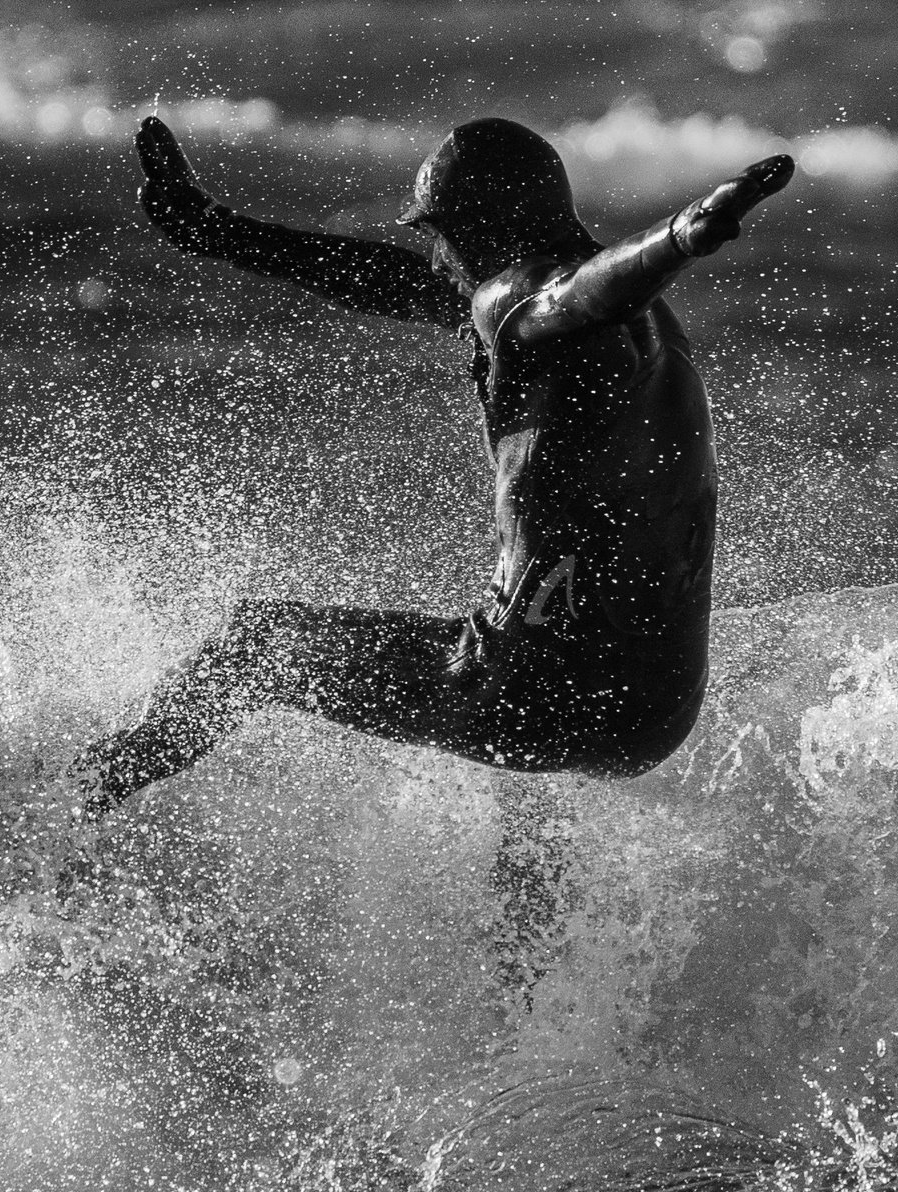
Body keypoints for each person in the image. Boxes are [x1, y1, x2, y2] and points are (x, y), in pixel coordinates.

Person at [75, 113, 794, 815]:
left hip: (535, 696)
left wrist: (678, 237)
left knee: (260, 643)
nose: (436, 260)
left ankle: (66, 803)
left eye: (436, 235)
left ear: (476, 229)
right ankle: (536, 933)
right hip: (653, 711)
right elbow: (394, 279)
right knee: (531, 804)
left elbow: (579, 297)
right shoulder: (636, 331)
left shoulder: (533, 301)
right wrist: (215, 229)